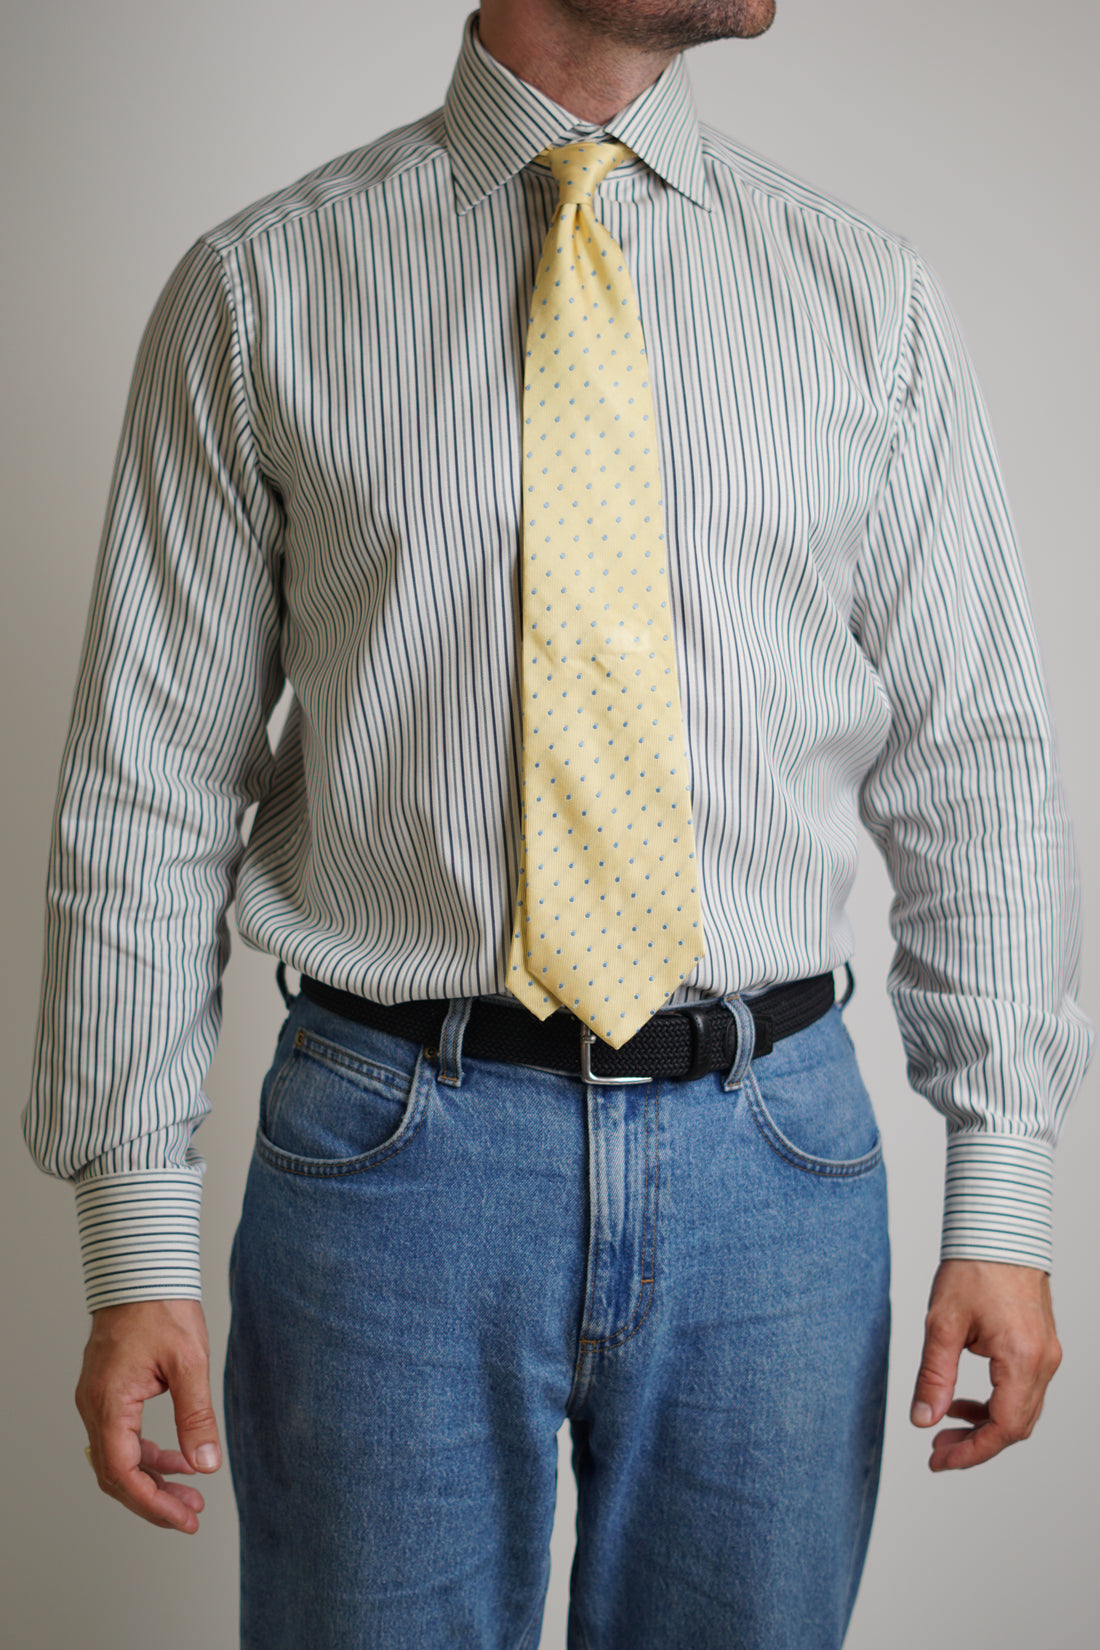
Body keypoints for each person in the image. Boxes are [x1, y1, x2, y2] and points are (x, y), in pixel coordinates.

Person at [25, 3, 1091, 1646]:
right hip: (393, 1164)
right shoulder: (262, 292)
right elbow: (146, 784)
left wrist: (1004, 1201)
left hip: (775, 1168)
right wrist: (133, 1243)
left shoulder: (862, 304)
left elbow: (981, 761)